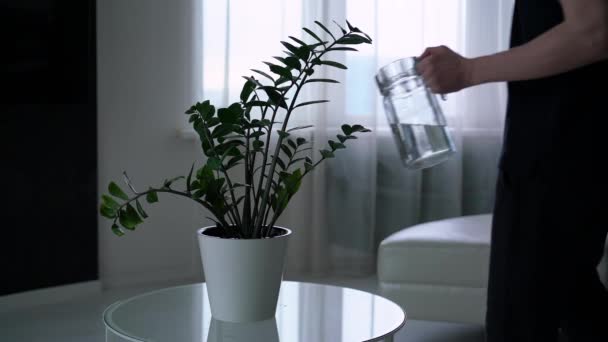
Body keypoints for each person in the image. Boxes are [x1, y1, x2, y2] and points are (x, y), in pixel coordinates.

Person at [415, 1, 608, 341]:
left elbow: (592, 33)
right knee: (574, 301)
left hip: (556, 157)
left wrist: (467, 71)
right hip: (568, 153)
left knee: (519, 322)